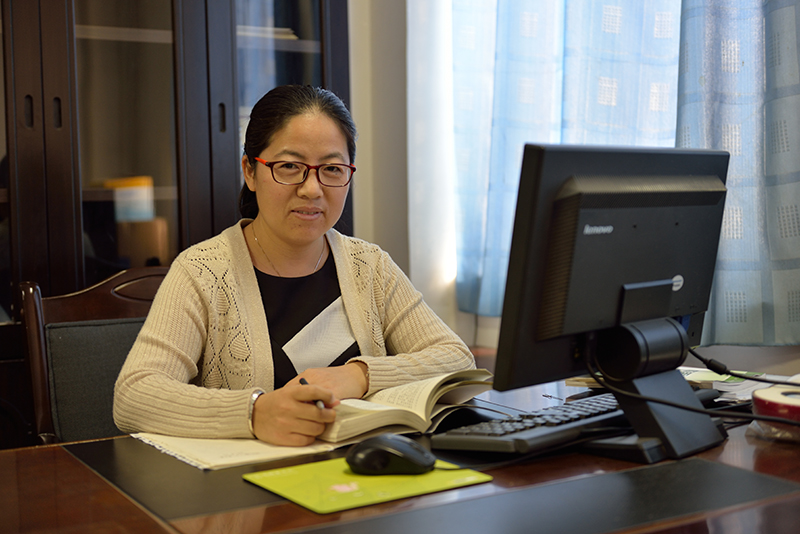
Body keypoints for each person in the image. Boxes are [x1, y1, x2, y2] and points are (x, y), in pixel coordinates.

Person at [113, 85, 475, 446]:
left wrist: (360, 375)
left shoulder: (370, 266)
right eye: (289, 167)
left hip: (357, 471)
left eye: (331, 169)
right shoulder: (201, 271)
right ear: (250, 172)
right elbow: (134, 395)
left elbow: (457, 359)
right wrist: (255, 413)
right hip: (249, 477)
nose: (312, 189)